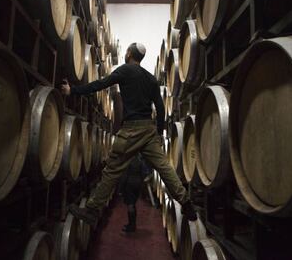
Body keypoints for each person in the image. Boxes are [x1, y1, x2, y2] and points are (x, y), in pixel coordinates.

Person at [61, 42, 197, 226]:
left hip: (130, 130)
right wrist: (157, 132)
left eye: (126, 51)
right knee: (164, 167)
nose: (125, 53)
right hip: (148, 129)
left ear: (130, 54)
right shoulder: (151, 79)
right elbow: (160, 108)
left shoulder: (124, 70)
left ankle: (92, 210)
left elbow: (100, 84)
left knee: (112, 170)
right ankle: (186, 203)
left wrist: (73, 91)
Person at [119, 154, 151, 233]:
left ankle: (131, 226)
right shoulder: (140, 161)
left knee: (130, 205)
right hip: (137, 185)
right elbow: (145, 173)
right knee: (133, 204)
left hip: (129, 185)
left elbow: (124, 176)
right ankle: (132, 224)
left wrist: (120, 189)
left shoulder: (128, 161)